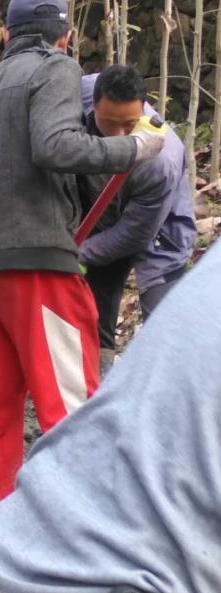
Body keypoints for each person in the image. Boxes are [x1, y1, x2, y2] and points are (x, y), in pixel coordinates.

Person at [0, 0, 165, 543]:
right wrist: (134, 145)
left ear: (6, 33)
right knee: (70, 401)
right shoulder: (55, 67)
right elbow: (54, 146)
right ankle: (89, 535)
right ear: (65, 37)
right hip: (37, 261)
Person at [0, 239, 221, 593]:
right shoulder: (153, 183)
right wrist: (93, 245)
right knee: (70, 406)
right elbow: (113, 193)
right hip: (41, 257)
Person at [77, 66, 197, 374]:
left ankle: (172, 390)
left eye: (128, 126)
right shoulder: (78, 94)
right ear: (94, 106)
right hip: (101, 213)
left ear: (142, 112)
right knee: (94, 305)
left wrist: (74, 253)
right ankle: (97, 385)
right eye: (109, 123)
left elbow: (133, 235)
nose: (119, 136)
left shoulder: (161, 158)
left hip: (158, 230)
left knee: (165, 322)